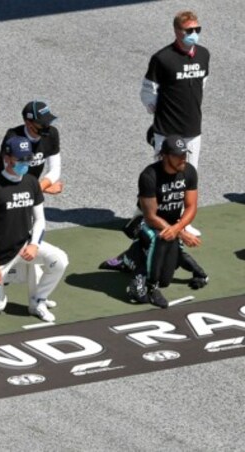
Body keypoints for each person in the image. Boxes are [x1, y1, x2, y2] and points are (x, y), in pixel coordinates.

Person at [0, 136, 68, 322]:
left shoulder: (32, 182)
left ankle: (38, 300)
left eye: (28, 159)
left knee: (59, 260)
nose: (25, 163)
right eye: (20, 159)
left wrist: (34, 244)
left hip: (24, 246)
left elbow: (40, 220)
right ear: (7, 158)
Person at [120, 136, 204, 308]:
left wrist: (178, 228)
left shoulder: (189, 172)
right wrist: (179, 232)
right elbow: (150, 216)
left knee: (166, 278)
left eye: (184, 154)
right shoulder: (149, 175)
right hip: (145, 223)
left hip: (172, 226)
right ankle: (150, 287)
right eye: (178, 155)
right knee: (161, 239)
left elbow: (191, 206)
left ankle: (132, 257)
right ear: (165, 156)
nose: (183, 158)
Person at [141, 10, 209, 171]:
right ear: (177, 31)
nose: (194, 34)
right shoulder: (162, 58)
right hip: (166, 130)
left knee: (190, 174)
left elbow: (203, 83)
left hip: (192, 128)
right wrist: (159, 111)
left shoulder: (204, 55)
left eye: (197, 30)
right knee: (165, 175)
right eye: (189, 31)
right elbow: (148, 91)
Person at [0, 100, 63, 195]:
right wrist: (42, 189)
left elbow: (55, 169)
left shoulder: (52, 134)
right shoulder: (13, 138)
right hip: (2, 186)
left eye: (48, 122)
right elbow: (12, 176)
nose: (47, 127)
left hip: (29, 189)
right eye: (43, 124)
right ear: (28, 123)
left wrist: (39, 187)